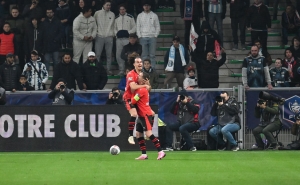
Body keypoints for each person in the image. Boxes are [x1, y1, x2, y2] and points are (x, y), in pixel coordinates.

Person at [131, 71, 166, 160]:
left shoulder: (142, 90)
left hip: (145, 114)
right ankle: (144, 154)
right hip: (141, 114)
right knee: (138, 134)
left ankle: (161, 151)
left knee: (149, 133)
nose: (138, 76)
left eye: (140, 76)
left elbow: (133, 101)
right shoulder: (141, 88)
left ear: (143, 80)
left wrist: (129, 99)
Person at [123, 57, 150, 145]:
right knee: (134, 114)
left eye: (141, 62)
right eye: (137, 62)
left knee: (149, 114)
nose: (140, 64)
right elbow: (133, 87)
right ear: (134, 64)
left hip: (138, 99)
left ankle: (146, 132)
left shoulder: (143, 75)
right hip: (129, 98)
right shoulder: (131, 74)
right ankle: (130, 136)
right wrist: (145, 86)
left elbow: (148, 88)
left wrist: (148, 86)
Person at [136, 0, 160, 68]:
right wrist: (139, 36)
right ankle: (144, 70)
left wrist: (155, 35)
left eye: (147, 5)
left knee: (152, 55)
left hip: (152, 37)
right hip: (143, 37)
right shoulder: (140, 16)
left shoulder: (154, 15)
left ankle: (153, 70)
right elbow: (138, 26)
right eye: (145, 5)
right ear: (143, 7)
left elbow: (157, 26)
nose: (146, 7)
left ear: (150, 6)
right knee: (144, 55)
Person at [94, 0, 115, 75]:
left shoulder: (112, 14)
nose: (108, 6)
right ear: (103, 5)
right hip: (99, 36)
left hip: (109, 37)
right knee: (98, 54)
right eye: (107, 5)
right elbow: (94, 24)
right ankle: (97, 69)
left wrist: (112, 33)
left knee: (109, 55)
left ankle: (108, 70)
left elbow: (113, 25)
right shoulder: (97, 13)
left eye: (109, 5)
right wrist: (96, 33)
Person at [114, 4, 136, 76]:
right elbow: (114, 28)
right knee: (119, 55)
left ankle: (129, 69)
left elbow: (134, 27)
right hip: (119, 39)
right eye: (121, 9)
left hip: (127, 39)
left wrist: (128, 33)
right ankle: (121, 70)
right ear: (119, 10)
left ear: (125, 10)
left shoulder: (130, 17)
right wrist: (117, 33)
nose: (122, 11)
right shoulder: (116, 18)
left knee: (128, 54)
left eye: (123, 9)